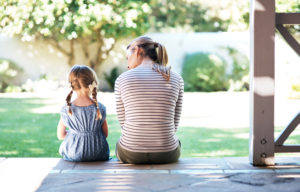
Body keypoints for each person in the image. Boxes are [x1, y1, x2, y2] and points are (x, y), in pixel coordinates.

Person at [114, 36, 184, 164]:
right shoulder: (176, 78)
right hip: (167, 154)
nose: (127, 63)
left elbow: (123, 123)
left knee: (119, 143)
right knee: (177, 142)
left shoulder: (122, 79)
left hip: (131, 153)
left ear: (137, 51)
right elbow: (174, 123)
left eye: (127, 57)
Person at [57, 65, 109, 162]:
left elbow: (60, 135)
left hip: (74, 154)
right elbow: (105, 134)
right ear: (93, 83)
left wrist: (75, 134)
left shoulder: (66, 109)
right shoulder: (100, 108)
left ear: (72, 85)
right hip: (99, 153)